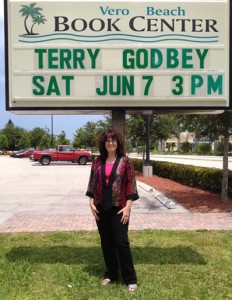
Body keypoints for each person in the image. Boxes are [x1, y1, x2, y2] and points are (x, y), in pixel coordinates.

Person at [86, 128, 139, 292]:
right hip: (101, 208)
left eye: (113, 140)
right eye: (107, 140)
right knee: (106, 242)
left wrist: (128, 207)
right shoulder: (97, 161)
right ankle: (111, 274)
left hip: (120, 208)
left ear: (118, 143)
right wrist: (91, 202)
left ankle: (130, 278)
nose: (110, 143)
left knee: (121, 242)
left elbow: (130, 184)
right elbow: (92, 182)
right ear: (104, 143)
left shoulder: (125, 161)